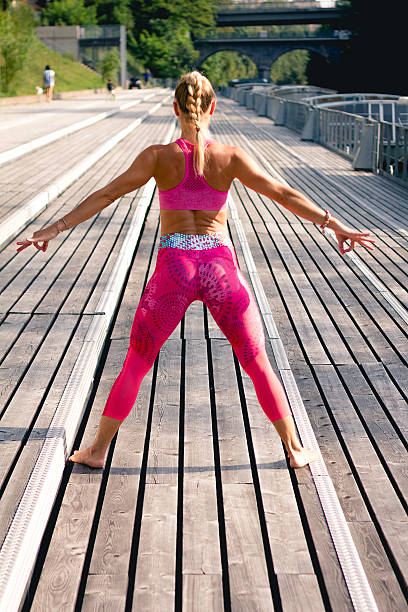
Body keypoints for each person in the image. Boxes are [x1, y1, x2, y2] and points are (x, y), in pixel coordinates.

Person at [16, 71, 375, 470]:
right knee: (256, 361)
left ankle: (98, 450)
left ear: (175, 108)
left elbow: (106, 194)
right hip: (220, 269)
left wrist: (53, 228)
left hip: (175, 268)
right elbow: (284, 193)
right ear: (213, 107)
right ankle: (293, 449)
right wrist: (334, 223)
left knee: (137, 360)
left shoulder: (157, 156)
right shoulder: (231, 156)